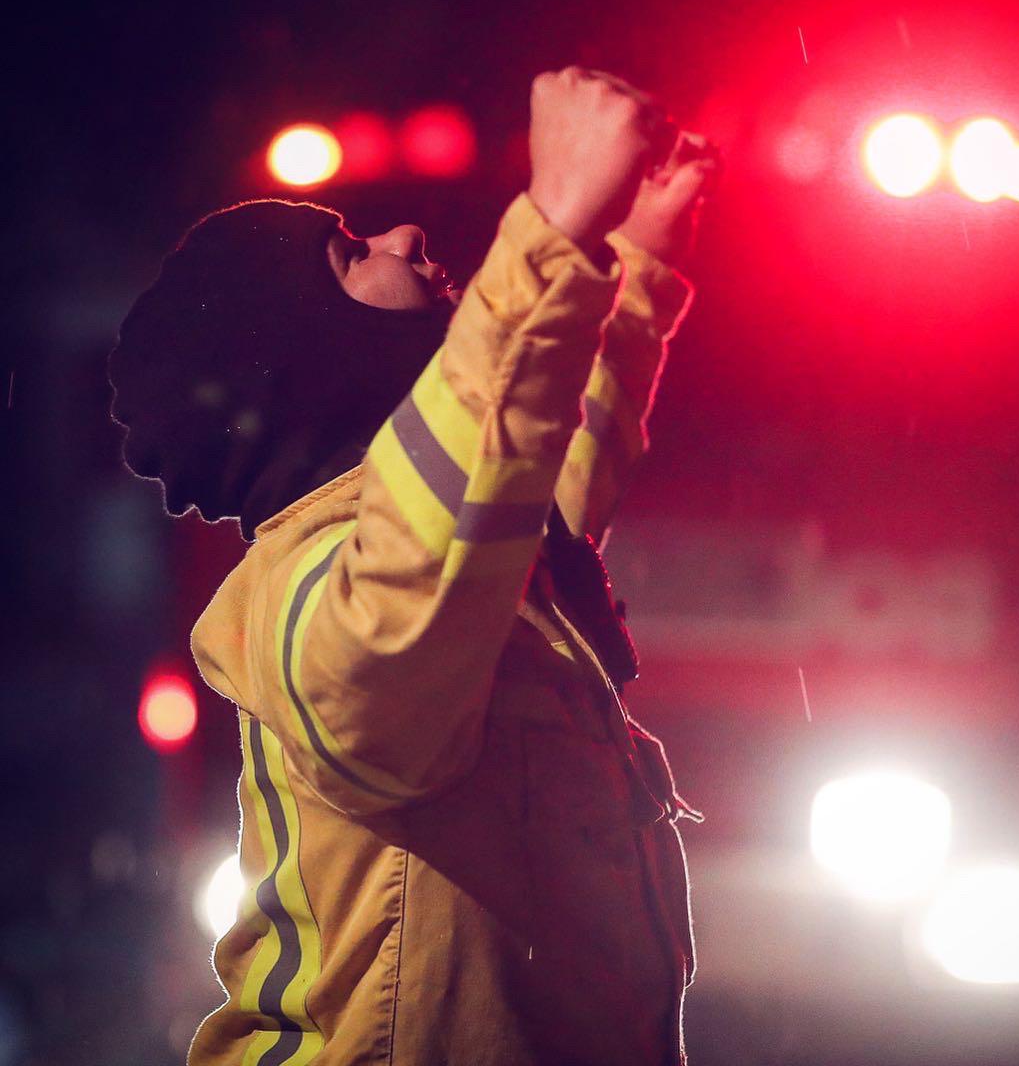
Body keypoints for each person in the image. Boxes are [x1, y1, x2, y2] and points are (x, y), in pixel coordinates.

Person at [109, 67, 719, 1066]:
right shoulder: (302, 586)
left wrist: (633, 264)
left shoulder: (455, 537)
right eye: (348, 255)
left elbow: (529, 482)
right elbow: (427, 567)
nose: (405, 238)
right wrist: (552, 229)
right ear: (299, 360)